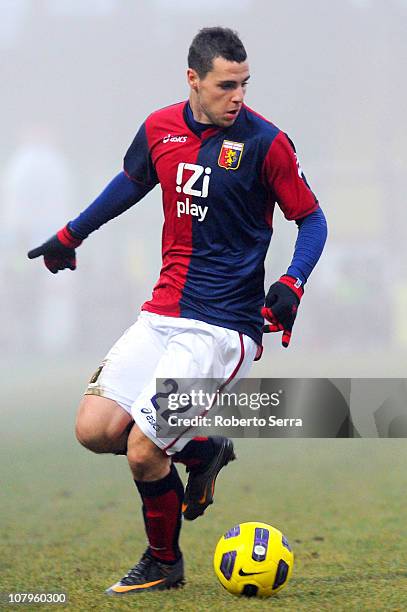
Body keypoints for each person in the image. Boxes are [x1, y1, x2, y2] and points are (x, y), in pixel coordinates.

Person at [27, 27, 327, 596]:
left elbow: (311, 219)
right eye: (224, 85)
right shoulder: (161, 128)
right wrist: (71, 234)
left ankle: (164, 562)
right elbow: (131, 182)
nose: (237, 96)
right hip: (163, 313)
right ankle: (203, 448)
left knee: (142, 451)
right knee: (94, 430)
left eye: (243, 84)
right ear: (193, 80)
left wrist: (293, 281)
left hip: (223, 329)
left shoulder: (267, 143)